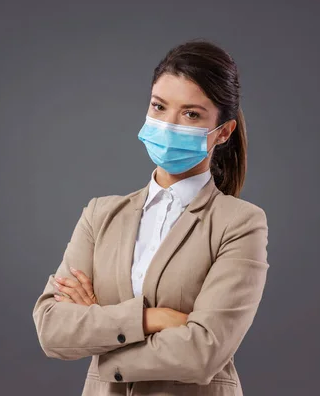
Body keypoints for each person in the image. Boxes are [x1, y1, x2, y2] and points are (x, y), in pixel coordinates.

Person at [32, 39, 270, 396]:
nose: (169, 125)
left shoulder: (239, 223)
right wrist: (150, 319)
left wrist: (101, 338)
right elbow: (52, 328)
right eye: (159, 107)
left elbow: (204, 352)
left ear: (223, 132)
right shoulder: (102, 215)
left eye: (191, 114)